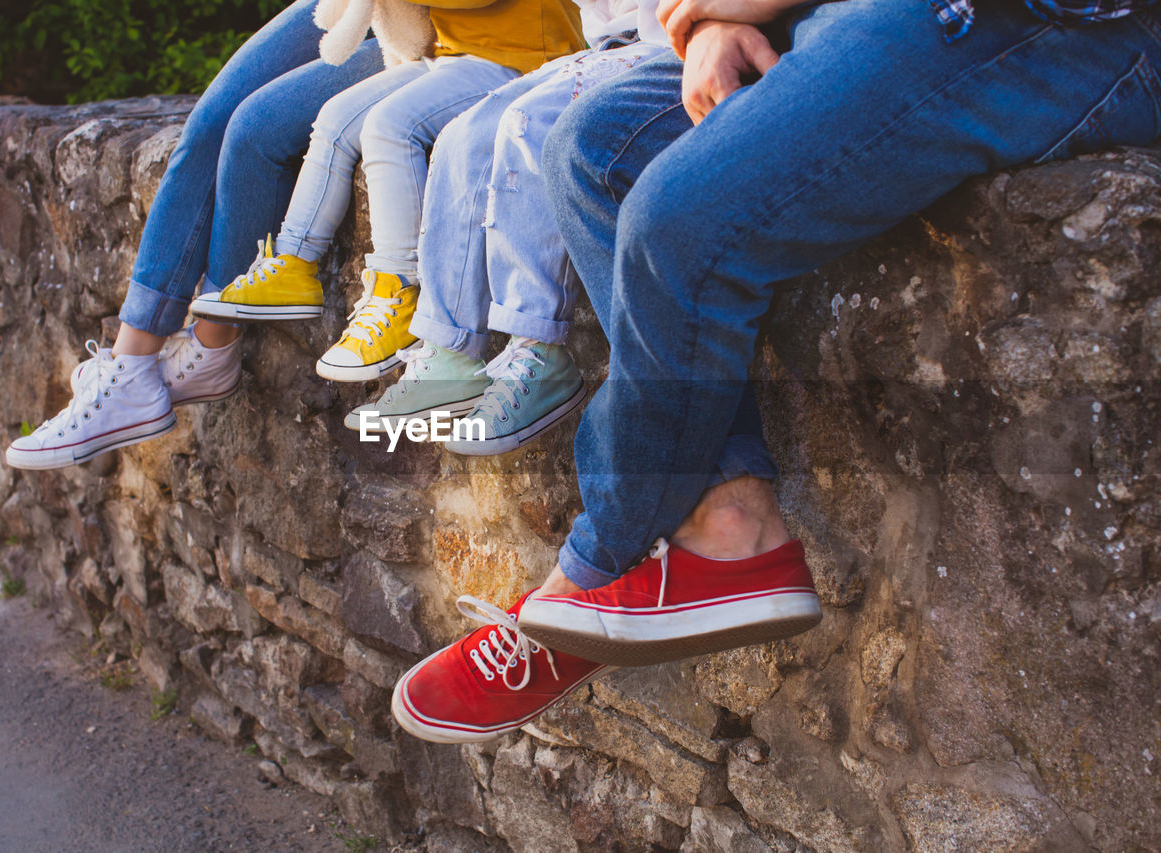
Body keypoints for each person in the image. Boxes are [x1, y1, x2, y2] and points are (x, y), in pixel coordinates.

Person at [390, 0, 1161, 742]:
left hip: (1057, 23)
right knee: (594, 149)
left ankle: (584, 581)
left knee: (678, 222)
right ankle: (731, 513)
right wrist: (717, 17)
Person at [5, 1, 387, 470]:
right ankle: (131, 362)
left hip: (451, 26)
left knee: (254, 130)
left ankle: (212, 344)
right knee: (210, 122)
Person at [187, 0, 585, 384]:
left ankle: (396, 293)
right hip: (452, 54)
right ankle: (294, 262)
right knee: (334, 117)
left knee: (390, 127)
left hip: (520, 58)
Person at [343, 0, 669, 455]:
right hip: (609, 43)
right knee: (463, 134)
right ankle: (450, 352)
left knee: (527, 123)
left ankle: (538, 349)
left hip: (670, 44)